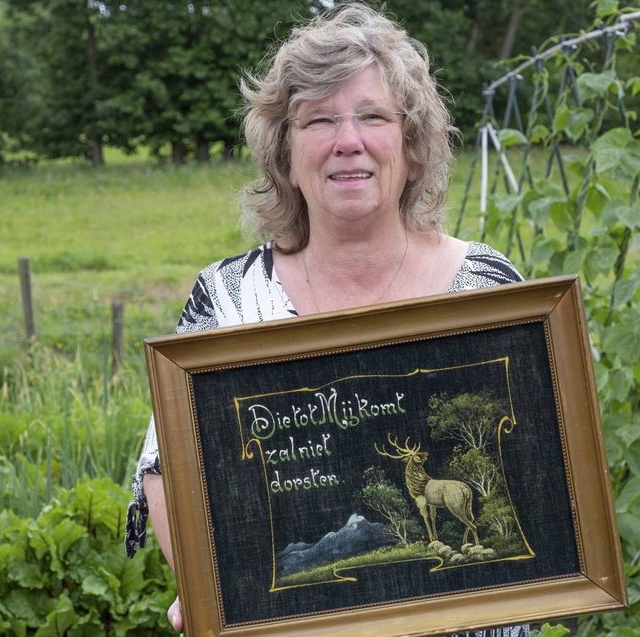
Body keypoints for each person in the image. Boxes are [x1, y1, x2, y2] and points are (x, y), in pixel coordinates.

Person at [125, 5, 527, 636]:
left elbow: (540, 467)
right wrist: (219, 596)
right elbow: (163, 471)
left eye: (372, 116)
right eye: (319, 120)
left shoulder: (487, 288)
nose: (348, 140)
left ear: (413, 147)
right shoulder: (229, 300)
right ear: (285, 155)